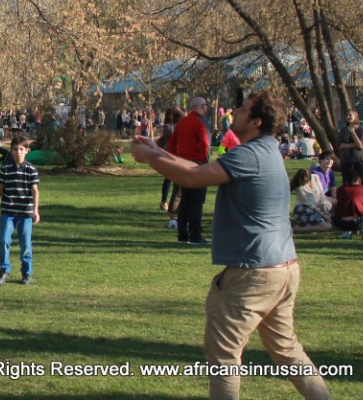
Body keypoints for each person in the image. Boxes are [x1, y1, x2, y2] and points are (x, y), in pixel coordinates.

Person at [132, 91, 332, 400]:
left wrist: (150, 158)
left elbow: (194, 177)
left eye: (241, 109)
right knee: (288, 351)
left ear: (255, 121)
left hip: (253, 274)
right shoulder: (266, 151)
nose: (234, 112)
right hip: (284, 269)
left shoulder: (248, 155)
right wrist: (158, 151)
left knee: (223, 358)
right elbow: (197, 169)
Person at [0, 135, 40, 285]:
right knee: (4, 240)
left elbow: (35, 191)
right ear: (11, 151)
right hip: (8, 212)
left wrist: (35, 211)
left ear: (27, 151)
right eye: (15, 149)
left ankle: (26, 272)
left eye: (21, 149)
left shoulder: (31, 170)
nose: (18, 152)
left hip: (25, 213)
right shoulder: (5, 169)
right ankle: (4, 270)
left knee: (25, 243)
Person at [166, 96, 211, 245]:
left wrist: (176, 159)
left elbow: (172, 143)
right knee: (196, 202)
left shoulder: (182, 122)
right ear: (202, 106)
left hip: (183, 164)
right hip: (197, 164)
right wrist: (204, 162)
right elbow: (205, 144)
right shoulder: (200, 123)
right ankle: (195, 235)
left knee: (185, 200)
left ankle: (182, 234)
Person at [332, 162, 363, 240]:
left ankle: (347, 232)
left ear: (346, 181)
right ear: (359, 180)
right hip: (358, 222)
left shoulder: (340, 190)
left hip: (340, 223)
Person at [289, 169, 331, 234]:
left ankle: (304, 227)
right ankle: (298, 229)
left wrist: (325, 212)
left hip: (316, 208)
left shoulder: (315, 178)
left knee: (329, 226)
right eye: (301, 181)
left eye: (305, 181)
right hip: (303, 208)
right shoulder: (299, 188)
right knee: (325, 226)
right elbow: (308, 204)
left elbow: (321, 194)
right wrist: (323, 215)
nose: (303, 183)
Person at [337, 109, 363, 184]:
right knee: (346, 182)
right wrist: (355, 145)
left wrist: (353, 133)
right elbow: (341, 146)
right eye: (347, 115)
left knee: (361, 182)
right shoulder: (343, 130)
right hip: (346, 160)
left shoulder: (362, 130)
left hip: (358, 160)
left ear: (355, 116)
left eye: (350, 115)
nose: (348, 117)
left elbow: (360, 145)